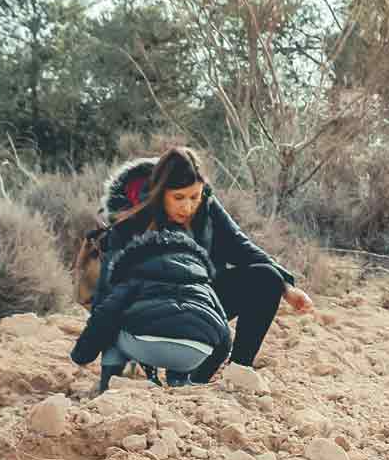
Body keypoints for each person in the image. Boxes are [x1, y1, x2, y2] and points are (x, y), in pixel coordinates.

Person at [71, 147, 314, 390]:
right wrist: (105, 369)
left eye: (194, 197)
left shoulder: (206, 205)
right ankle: (137, 369)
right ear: (160, 192)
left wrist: (286, 287)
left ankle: (236, 372)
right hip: (141, 310)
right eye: (179, 198)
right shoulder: (129, 220)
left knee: (266, 278)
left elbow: (240, 246)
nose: (187, 207)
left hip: (198, 302)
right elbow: (108, 295)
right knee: (119, 304)